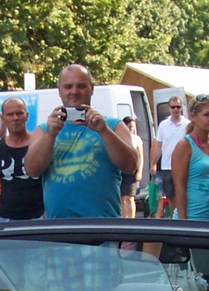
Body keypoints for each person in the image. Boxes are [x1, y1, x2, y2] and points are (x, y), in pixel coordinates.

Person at [23, 64, 139, 217]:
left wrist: (103, 131)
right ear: (59, 91)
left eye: (81, 86)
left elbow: (130, 165)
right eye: (68, 86)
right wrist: (50, 135)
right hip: (60, 228)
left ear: (92, 88)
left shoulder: (113, 125)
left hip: (102, 226)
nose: (74, 92)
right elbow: (32, 170)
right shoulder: (45, 129)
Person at [0, 96, 44, 223]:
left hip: (39, 218)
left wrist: (45, 216)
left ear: (27, 116)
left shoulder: (40, 144)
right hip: (7, 219)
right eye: (10, 114)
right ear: (3, 118)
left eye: (19, 113)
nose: (15, 118)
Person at [170, 94, 209, 222]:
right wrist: (183, 225)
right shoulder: (185, 145)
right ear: (193, 117)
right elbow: (179, 186)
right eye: (206, 115)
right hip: (193, 219)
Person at [150, 96, 186, 211]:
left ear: (181, 108)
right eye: (173, 107)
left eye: (178, 107)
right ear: (169, 108)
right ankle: (173, 220)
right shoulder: (163, 125)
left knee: (183, 194)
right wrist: (153, 163)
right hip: (167, 166)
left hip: (183, 166)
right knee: (170, 195)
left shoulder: (188, 124)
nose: (175, 109)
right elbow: (158, 146)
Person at [120, 116, 143, 217]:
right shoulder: (119, 138)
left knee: (130, 197)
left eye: (132, 127)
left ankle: (131, 219)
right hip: (120, 170)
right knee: (122, 198)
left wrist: (139, 171)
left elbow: (140, 156)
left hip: (132, 171)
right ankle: (123, 219)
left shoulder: (136, 139)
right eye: (129, 127)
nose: (131, 129)